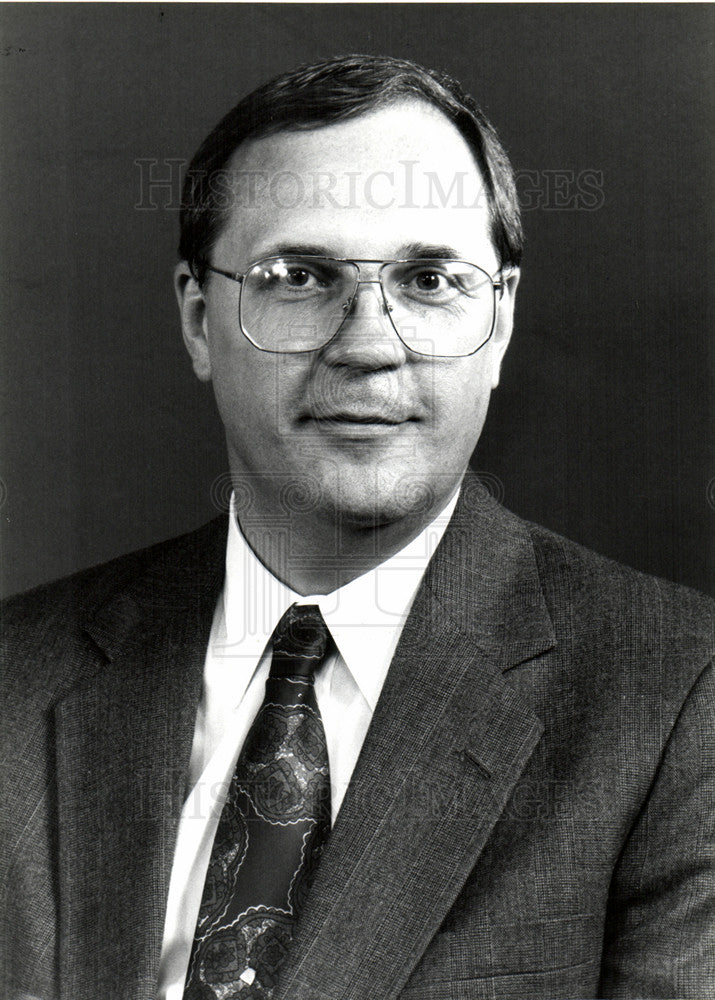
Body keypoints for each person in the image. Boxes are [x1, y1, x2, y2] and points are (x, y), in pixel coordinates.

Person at [1, 54, 713, 1000]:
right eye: (298, 276)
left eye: (428, 279)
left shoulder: (679, 706)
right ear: (197, 315)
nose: (370, 342)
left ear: (498, 325)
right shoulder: (16, 677)